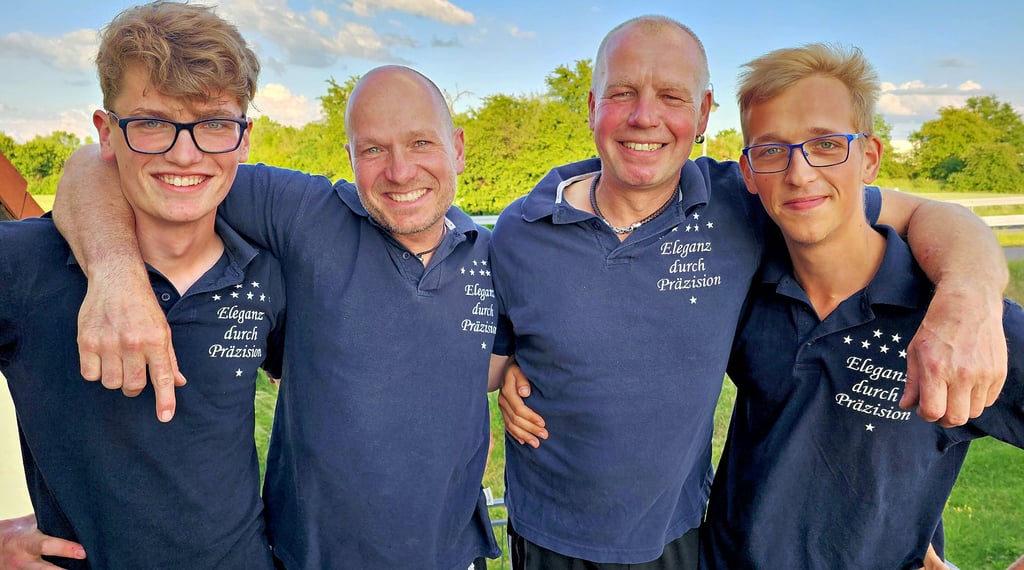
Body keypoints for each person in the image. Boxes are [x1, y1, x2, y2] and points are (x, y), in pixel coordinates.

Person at [491, 15, 1010, 570]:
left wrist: (969, 300)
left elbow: (931, 213)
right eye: (622, 93)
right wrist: (523, 365)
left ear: (702, 113)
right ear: (592, 105)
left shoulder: (745, 197)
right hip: (549, 537)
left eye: (671, 95)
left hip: (679, 540)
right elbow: (505, 339)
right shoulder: (521, 230)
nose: (645, 116)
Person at [51, 65, 504, 569]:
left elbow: (492, 358)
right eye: (373, 149)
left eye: (421, 143)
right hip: (309, 558)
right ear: (350, 156)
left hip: (454, 555)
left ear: (458, 148)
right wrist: (116, 276)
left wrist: (520, 376)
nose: (400, 171)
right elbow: (99, 164)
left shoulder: (493, 253)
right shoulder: (305, 213)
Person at [699, 42, 1024, 570]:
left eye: (826, 144)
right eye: (772, 150)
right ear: (749, 173)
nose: (799, 173)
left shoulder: (956, 319)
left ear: (868, 158)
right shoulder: (743, 286)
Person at [0, 1, 282, 568]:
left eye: (214, 124)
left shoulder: (267, 271)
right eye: (152, 122)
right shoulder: (23, 263)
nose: (186, 153)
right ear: (107, 132)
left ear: (244, 137)